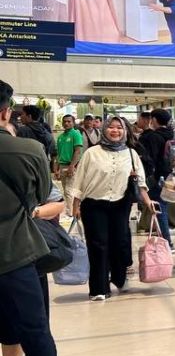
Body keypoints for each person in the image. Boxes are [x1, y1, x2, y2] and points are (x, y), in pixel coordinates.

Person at [0, 79, 79, 356]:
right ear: (5, 112)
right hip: (17, 254)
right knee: (35, 328)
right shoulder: (27, 150)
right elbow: (35, 201)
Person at [67, 116, 158, 301]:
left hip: (120, 204)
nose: (115, 131)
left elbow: (140, 182)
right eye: (111, 127)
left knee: (119, 243)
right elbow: (79, 181)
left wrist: (149, 202)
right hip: (93, 204)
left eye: (119, 128)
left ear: (125, 131)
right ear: (105, 129)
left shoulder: (131, 154)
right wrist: (75, 206)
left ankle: (118, 277)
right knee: (98, 246)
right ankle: (99, 289)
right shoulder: (92, 153)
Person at [138, 108, 175, 249]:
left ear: (153, 120)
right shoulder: (172, 135)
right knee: (163, 206)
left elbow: (151, 160)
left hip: (157, 178)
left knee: (159, 208)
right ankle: (165, 241)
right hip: (170, 177)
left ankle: (167, 243)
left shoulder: (154, 137)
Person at [53, 114, 84, 216]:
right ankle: (69, 210)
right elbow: (58, 154)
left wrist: (72, 166)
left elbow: (78, 151)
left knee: (69, 190)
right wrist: (56, 169)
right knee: (64, 190)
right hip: (62, 166)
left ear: (73, 123)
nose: (66, 123)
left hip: (72, 166)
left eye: (69, 121)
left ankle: (71, 213)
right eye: (65, 121)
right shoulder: (60, 137)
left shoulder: (76, 134)